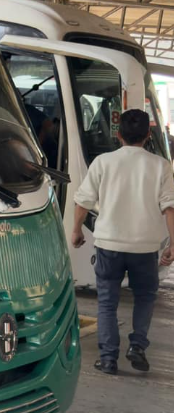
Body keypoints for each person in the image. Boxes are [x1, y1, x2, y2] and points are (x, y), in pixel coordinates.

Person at [72, 109, 174, 375]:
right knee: (145, 297)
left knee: (107, 302)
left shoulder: (103, 162)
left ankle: (108, 358)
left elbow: (82, 201)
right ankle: (137, 346)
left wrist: (76, 231)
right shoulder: (161, 165)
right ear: (148, 135)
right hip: (145, 249)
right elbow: (170, 208)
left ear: (117, 135)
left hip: (109, 245)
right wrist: (173, 244)